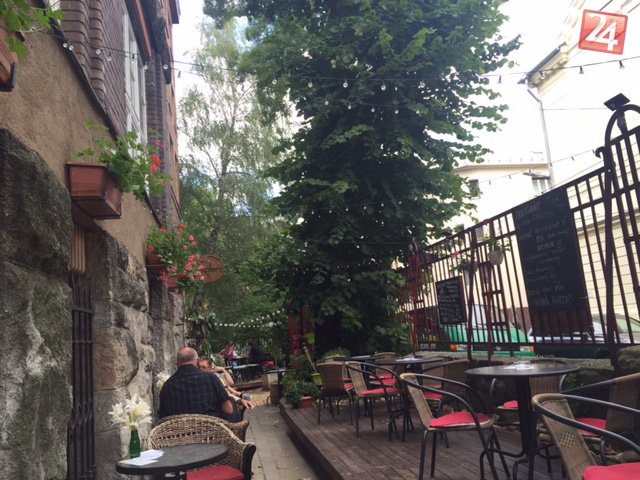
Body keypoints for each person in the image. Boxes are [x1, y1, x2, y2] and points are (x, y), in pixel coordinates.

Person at [159, 347, 249, 422]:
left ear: (177, 363)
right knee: (232, 405)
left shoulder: (167, 386)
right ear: (197, 361)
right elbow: (228, 410)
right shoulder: (211, 378)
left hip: (180, 434)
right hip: (213, 430)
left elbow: (163, 418)